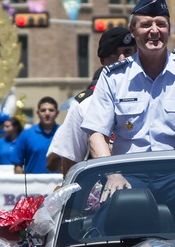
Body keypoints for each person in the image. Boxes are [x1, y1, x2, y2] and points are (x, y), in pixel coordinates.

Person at [81, 0, 175, 233]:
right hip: (129, 172)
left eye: (161, 24)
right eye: (146, 25)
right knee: (114, 203)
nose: (154, 31)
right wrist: (112, 173)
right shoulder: (114, 77)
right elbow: (96, 133)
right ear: (133, 31)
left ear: (169, 30)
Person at [47, 26, 135, 175]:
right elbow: (71, 160)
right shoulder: (84, 105)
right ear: (103, 60)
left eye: (128, 53)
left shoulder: (153, 93)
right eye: (114, 55)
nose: (122, 60)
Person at [13, 97, 59, 174]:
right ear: (37, 113)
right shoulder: (26, 134)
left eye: (51, 110)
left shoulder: (64, 133)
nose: (47, 113)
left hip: (59, 184)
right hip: (33, 184)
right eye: (43, 110)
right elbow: (18, 165)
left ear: (57, 113)